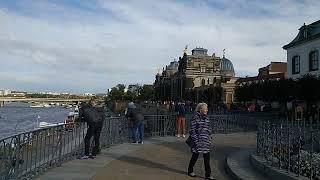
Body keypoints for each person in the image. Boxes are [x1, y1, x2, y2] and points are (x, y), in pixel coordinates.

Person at [188, 103, 215, 180]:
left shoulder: (207, 118)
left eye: (207, 108)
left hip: (206, 141)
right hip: (198, 141)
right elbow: (192, 130)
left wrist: (209, 138)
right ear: (201, 110)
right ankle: (190, 170)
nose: (207, 110)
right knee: (195, 156)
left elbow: (209, 129)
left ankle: (208, 175)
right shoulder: (195, 118)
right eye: (205, 108)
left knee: (207, 158)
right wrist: (196, 141)